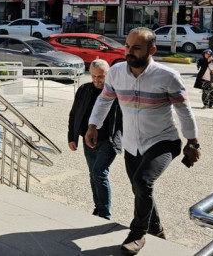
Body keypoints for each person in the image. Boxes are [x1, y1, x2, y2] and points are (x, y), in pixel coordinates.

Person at [86, 27, 201, 255]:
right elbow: (104, 100)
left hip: (163, 141)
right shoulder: (117, 72)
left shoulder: (168, 76)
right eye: (128, 46)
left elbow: (184, 111)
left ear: (152, 50)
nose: (129, 51)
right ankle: (156, 229)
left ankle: (137, 233)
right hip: (131, 144)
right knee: (139, 188)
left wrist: (192, 142)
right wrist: (93, 126)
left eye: (136, 48)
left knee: (142, 182)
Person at [67, 59, 122, 220]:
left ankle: (105, 214)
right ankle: (97, 209)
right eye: (94, 76)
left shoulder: (117, 91)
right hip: (88, 140)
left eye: (101, 76)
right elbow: (74, 114)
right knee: (93, 174)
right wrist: (72, 137)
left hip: (108, 140)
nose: (97, 80)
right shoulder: (84, 89)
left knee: (99, 173)